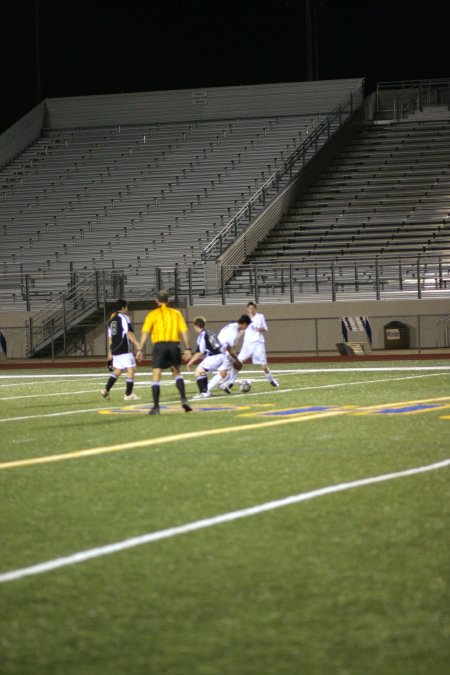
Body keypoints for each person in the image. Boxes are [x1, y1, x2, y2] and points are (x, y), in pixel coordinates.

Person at [136, 289, 192, 415]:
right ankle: (184, 399)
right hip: (173, 346)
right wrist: (188, 348)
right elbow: (184, 331)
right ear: (168, 300)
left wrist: (139, 349)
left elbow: (145, 333)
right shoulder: (176, 313)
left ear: (156, 300)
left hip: (159, 346)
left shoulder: (152, 314)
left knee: (156, 375)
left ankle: (156, 407)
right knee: (177, 373)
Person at [186, 316, 238, 398]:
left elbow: (200, 351)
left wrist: (190, 362)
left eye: (194, 326)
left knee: (197, 372)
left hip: (214, 357)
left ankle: (204, 393)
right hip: (221, 356)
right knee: (202, 372)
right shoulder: (211, 332)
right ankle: (206, 391)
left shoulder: (202, 335)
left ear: (196, 326)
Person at [101, 299, 141, 401]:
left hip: (115, 349)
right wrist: (137, 344)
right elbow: (128, 333)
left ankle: (106, 389)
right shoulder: (124, 317)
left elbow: (110, 338)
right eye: (126, 306)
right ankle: (128, 394)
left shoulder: (111, 320)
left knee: (118, 370)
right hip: (124, 348)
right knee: (131, 369)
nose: (127, 308)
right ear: (122, 307)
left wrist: (110, 351)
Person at [237, 301, 279, 387]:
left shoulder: (260, 317)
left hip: (258, 344)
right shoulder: (245, 318)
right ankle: (228, 383)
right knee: (238, 362)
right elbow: (242, 330)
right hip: (247, 344)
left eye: (252, 308)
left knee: (263, 365)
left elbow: (265, 328)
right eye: (249, 308)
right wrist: (237, 338)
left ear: (255, 308)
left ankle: (271, 381)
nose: (251, 310)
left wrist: (260, 329)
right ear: (247, 309)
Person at [207, 314, 252, 394]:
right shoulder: (233, 331)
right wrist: (236, 359)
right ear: (244, 324)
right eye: (247, 326)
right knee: (223, 373)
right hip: (221, 352)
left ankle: (227, 384)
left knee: (239, 365)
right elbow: (229, 348)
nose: (246, 328)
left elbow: (231, 346)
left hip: (221, 350)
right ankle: (206, 390)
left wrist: (236, 360)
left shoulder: (233, 326)